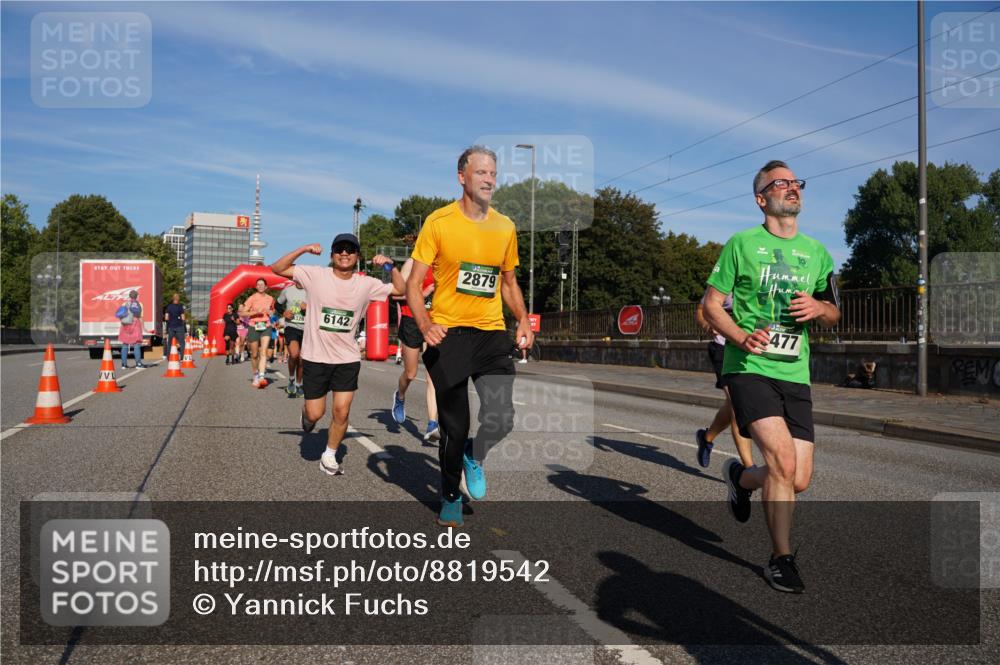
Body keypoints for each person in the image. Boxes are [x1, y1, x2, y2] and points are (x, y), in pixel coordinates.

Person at [703, 160, 840, 594]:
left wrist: (820, 310)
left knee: (798, 479)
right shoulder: (741, 244)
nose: (791, 187)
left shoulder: (818, 253)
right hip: (749, 369)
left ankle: (740, 479)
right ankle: (781, 559)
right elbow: (710, 305)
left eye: (795, 181)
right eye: (779, 183)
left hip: (795, 372)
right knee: (781, 463)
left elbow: (835, 313)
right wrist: (741, 337)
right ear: (762, 198)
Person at [408, 145, 533, 527]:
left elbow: (508, 282)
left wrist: (523, 320)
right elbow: (414, 283)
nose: (490, 179)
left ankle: (473, 456)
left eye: (493, 173)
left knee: (501, 418)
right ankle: (449, 495)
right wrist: (426, 323)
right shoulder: (439, 222)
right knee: (454, 425)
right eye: (481, 172)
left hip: (492, 333)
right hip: (449, 336)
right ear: (461, 176)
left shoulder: (505, 226)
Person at [270, 234, 404, 476]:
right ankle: (306, 417)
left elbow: (400, 288)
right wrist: (304, 248)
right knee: (315, 413)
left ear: (357, 256)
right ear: (332, 255)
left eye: (350, 250)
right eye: (339, 250)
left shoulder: (366, 284)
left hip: (347, 358)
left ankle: (329, 455)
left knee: (341, 410)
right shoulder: (315, 275)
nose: (345, 253)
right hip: (315, 357)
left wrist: (389, 266)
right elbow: (277, 268)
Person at [694, 293, 754, 469]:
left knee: (732, 404)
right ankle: (749, 468)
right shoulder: (727, 277)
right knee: (737, 404)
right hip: (723, 348)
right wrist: (707, 324)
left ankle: (706, 439)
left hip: (750, 350)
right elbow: (700, 309)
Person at [391, 258, 441, 441]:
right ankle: (400, 395)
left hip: (435, 322)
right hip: (411, 319)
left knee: (433, 376)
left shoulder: (445, 261)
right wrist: (424, 292)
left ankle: (432, 423)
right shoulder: (412, 263)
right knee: (410, 373)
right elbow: (397, 294)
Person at [239, 278, 274, 388]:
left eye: (262, 284)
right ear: (256, 286)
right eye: (258, 284)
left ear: (266, 287)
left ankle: (262, 377)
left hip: (266, 326)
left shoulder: (270, 298)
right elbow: (242, 313)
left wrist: (271, 312)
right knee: (254, 355)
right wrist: (255, 312)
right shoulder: (252, 298)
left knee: (263, 351)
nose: (260, 286)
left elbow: (273, 311)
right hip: (254, 326)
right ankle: (255, 375)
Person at [277, 279, 308, 397]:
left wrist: (308, 308)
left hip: (307, 329)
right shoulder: (287, 291)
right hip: (291, 327)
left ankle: (299, 384)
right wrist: (284, 312)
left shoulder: (311, 291)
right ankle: (291, 379)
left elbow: (320, 307)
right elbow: (277, 304)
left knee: (302, 359)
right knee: (294, 354)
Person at [116, 289, 147, 369]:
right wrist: (144, 327)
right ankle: (138, 364)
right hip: (135, 323)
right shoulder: (139, 304)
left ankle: (124, 364)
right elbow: (141, 317)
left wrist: (123, 323)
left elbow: (121, 315)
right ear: (137, 296)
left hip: (126, 324)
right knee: (136, 344)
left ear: (129, 296)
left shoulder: (124, 304)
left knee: (125, 344)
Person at [163, 292, 187, 361]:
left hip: (171, 327)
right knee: (182, 342)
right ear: (178, 299)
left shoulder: (169, 307)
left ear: (173, 299)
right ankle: (182, 358)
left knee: (169, 343)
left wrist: (167, 325)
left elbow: (166, 317)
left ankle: (168, 357)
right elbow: (183, 317)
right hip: (179, 326)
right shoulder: (180, 307)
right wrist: (184, 327)